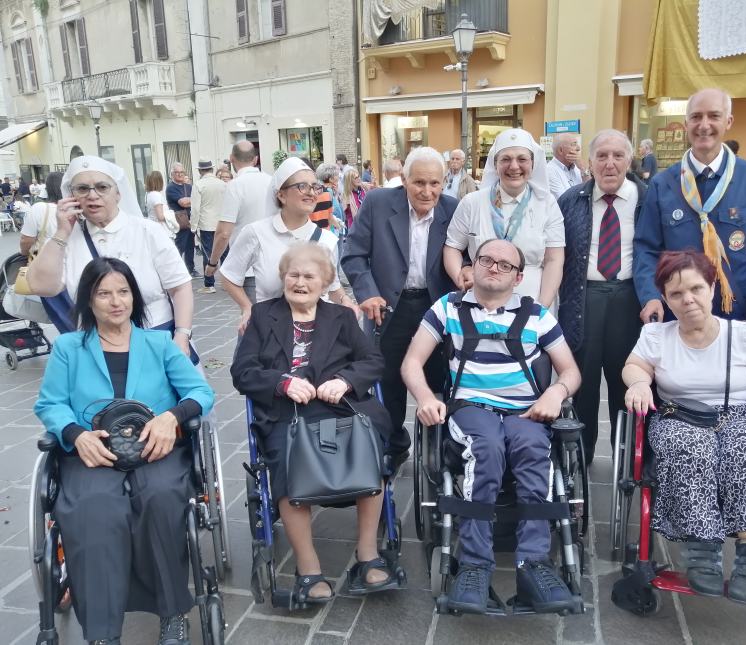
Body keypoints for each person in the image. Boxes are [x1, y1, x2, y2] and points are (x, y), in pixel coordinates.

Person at [623, 249, 746, 605]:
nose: (688, 300)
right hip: (679, 416)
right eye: (676, 294)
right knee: (689, 448)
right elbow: (635, 365)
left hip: (743, 415)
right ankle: (703, 553)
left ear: (712, 288)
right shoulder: (657, 335)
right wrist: (638, 382)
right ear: (666, 299)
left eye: (696, 289)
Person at [33, 257, 214, 645]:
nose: (116, 301)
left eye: (123, 291)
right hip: (93, 451)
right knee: (92, 508)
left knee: (163, 499)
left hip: (154, 448)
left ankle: (172, 615)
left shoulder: (159, 343)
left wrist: (172, 418)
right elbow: (50, 404)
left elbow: (201, 392)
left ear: (134, 296)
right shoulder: (69, 347)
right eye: (103, 293)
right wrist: (75, 434)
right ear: (88, 300)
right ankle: (102, 632)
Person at [401, 238, 583, 615]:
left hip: (525, 410)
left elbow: (570, 370)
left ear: (518, 277)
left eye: (505, 264)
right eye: (486, 259)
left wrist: (556, 393)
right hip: (472, 408)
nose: (494, 267)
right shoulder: (447, 308)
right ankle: (474, 564)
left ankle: (533, 564)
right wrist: (425, 398)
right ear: (474, 265)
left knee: (534, 452)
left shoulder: (536, 315)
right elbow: (411, 364)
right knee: (486, 449)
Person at [231, 243, 395, 602]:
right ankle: (308, 569)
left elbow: (372, 361)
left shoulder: (341, 317)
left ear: (325, 282)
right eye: (293, 274)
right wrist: (282, 382)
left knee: (370, 452)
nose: (300, 282)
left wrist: (347, 381)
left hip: (341, 406)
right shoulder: (262, 316)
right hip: (285, 412)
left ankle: (367, 556)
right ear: (282, 278)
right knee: (288, 461)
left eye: (309, 276)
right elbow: (242, 372)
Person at [341, 146, 456, 464]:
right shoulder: (378, 203)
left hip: (435, 307)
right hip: (388, 306)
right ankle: (393, 444)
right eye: (419, 182)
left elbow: (463, 256)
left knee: (441, 376)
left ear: (444, 182)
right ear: (404, 179)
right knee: (387, 378)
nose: (427, 191)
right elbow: (353, 254)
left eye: (435, 183)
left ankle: (442, 440)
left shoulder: (453, 208)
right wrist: (366, 293)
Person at [633, 88, 746, 323]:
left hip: (737, 311)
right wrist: (650, 296)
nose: (704, 125)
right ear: (685, 124)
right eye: (695, 117)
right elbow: (646, 249)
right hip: (678, 313)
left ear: (728, 121)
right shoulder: (663, 184)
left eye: (714, 116)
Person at [24, 156, 195, 350]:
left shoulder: (147, 231)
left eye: (102, 187)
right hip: (96, 343)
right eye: (82, 189)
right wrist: (61, 233)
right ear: (71, 196)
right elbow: (41, 286)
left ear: (118, 194)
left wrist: (182, 335)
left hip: (155, 336)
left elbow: (180, 286)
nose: (92, 195)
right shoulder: (66, 239)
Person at [557, 130, 646, 464]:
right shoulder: (571, 200)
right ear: (589, 162)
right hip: (584, 299)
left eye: (618, 156)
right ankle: (581, 454)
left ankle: (628, 456)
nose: (610, 164)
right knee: (582, 380)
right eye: (602, 156)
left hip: (630, 300)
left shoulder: (647, 199)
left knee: (628, 380)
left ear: (629, 160)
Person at [219, 157, 358, 330]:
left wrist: (346, 301)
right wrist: (247, 308)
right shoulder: (256, 233)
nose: (311, 193)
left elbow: (332, 287)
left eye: (315, 186)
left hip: (317, 333)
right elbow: (229, 275)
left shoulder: (326, 239)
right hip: (272, 330)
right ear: (281, 194)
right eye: (302, 186)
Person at [443, 128, 565, 308]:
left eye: (522, 159)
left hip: (531, 300)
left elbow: (554, 260)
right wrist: (460, 275)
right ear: (495, 165)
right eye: (505, 159)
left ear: (533, 164)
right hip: (479, 300)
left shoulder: (547, 204)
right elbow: (452, 247)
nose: (514, 166)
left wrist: (542, 308)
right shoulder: (472, 202)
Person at [204, 141, 272, 301]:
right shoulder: (271, 181)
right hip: (275, 261)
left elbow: (223, 232)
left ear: (231, 159)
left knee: (254, 318)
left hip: (249, 265)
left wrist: (213, 263)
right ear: (255, 160)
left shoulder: (235, 186)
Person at [191, 159, 227, 295]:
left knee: (209, 253)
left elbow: (195, 209)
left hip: (207, 223)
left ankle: (209, 283)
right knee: (225, 252)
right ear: (212, 169)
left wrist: (193, 226)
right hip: (223, 222)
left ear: (200, 171)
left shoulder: (199, 185)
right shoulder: (223, 185)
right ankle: (228, 282)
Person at [165, 163, 197, 278]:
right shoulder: (170, 188)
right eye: (177, 172)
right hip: (179, 222)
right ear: (172, 174)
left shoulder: (188, 187)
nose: (180, 174)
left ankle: (191, 269)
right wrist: (192, 200)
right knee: (179, 246)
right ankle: (175, 270)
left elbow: (197, 200)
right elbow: (182, 202)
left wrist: (190, 200)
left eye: (182, 172)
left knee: (190, 246)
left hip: (190, 220)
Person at [19, 171, 62, 257]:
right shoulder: (76, 208)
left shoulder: (39, 208)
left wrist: (24, 253)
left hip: (45, 260)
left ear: (47, 188)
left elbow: (26, 240)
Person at [547, 133, 585, 200]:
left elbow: (592, 192)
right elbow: (565, 201)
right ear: (560, 150)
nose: (578, 148)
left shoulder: (577, 168)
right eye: (574, 144)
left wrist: (583, 169)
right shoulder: (549, 171)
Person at [312, 163, 345, 234]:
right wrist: (339, 226)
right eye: (336, 175)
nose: (338, 177)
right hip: (332, 229)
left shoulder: (325, 190)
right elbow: (331, 212)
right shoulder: (328, 192)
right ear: (330, 179)